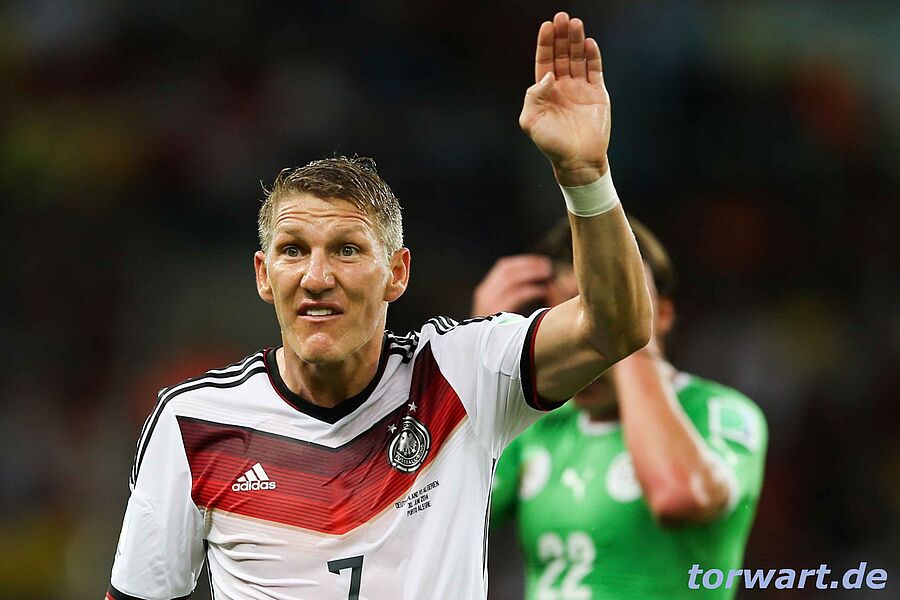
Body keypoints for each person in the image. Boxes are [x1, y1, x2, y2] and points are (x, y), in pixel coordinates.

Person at [105, 12, 653, 600]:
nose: (317, 278)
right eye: (293, 251)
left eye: (347, 249)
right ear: (264, 276)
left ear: (397, 274)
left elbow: (615, 328)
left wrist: (585, 175)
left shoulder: (461, 374)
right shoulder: (193, 423)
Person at [478, 217, 768, 599]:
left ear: (662, 314)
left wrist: (626, 327)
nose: (576, 345)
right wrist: (485, 354)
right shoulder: (537, 425)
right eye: (558, 323)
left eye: (594, 321)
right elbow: (436, 516)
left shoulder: (720, 412)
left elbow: (677, 496)